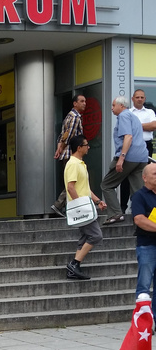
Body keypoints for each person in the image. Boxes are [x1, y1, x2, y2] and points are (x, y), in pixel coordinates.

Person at [64, 137, 106, 280]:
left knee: (85, 237)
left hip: (85, 207)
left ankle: (74, 268)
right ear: (79, 148)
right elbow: (70, 187)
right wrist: (80, 206)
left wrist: (97, 200)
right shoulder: (73, 164)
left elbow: (85, 189)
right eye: (86, 145)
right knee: (96, 235)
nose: (88, 147)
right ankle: (74, 264)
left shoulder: (81, 164)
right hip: (82, 209)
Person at [101, 97, 149, 224]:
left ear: (121, 106)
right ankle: (143, 216)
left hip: (129, 157)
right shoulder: (134, 116)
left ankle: (116, 213)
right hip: (142, 157)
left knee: (107, 185)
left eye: (113, 105)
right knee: (138, 190)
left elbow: (128, 136)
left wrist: (121, 158)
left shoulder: (123, 116)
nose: (111, 108)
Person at [121, 90, 156, 215]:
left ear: (145, 98)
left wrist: (135, 125)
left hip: (146, 146)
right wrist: (144, 126)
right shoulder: (128, 113)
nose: (140, 99)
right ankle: (122, 208)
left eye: (142, 97)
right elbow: (126, 130)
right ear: (132, 98)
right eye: (137, 97)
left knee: (147, 177)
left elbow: (153, 126)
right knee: (126, 177)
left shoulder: (150, 112)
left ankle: (144, 207)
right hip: (131, 146)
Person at [51, 93, 86, 217]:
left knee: (71, 181)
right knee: (72, 182)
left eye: (85, 101)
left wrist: (58, 148)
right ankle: (58, 205)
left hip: (65, 153)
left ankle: (65, 208)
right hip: (71, 153)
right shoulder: (76, 117)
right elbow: (69, 136)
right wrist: (62, 148)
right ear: (75, 103)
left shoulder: (68, 116)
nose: (84, 103)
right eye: (81, 101)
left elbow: (62, 135)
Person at [131, 161, 156, 315]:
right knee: (144, 285)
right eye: (155, 174)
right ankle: (143, 323)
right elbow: (139, 220)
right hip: (147, 246)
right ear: (144, 178)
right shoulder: (139, 196)